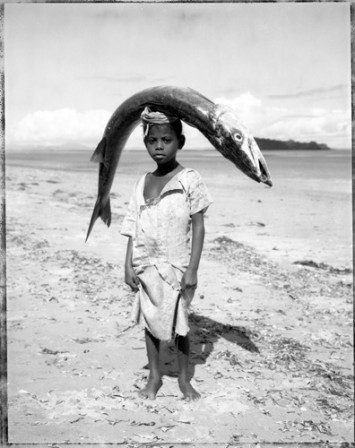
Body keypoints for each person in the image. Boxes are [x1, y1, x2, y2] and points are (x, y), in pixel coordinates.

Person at [121, 106, 212, 401]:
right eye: (152, 141)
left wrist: (193, 269)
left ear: (180, 142)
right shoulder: (142, 182)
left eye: (166, 140)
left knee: (180, 323)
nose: (159, 146)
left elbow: (198, 226)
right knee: (150, 319)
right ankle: (155, 377)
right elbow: (133, 226)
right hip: (145, 261)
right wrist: (128, 265)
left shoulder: (190, 179)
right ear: (146, 143)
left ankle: (185, 381)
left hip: (176, 263)